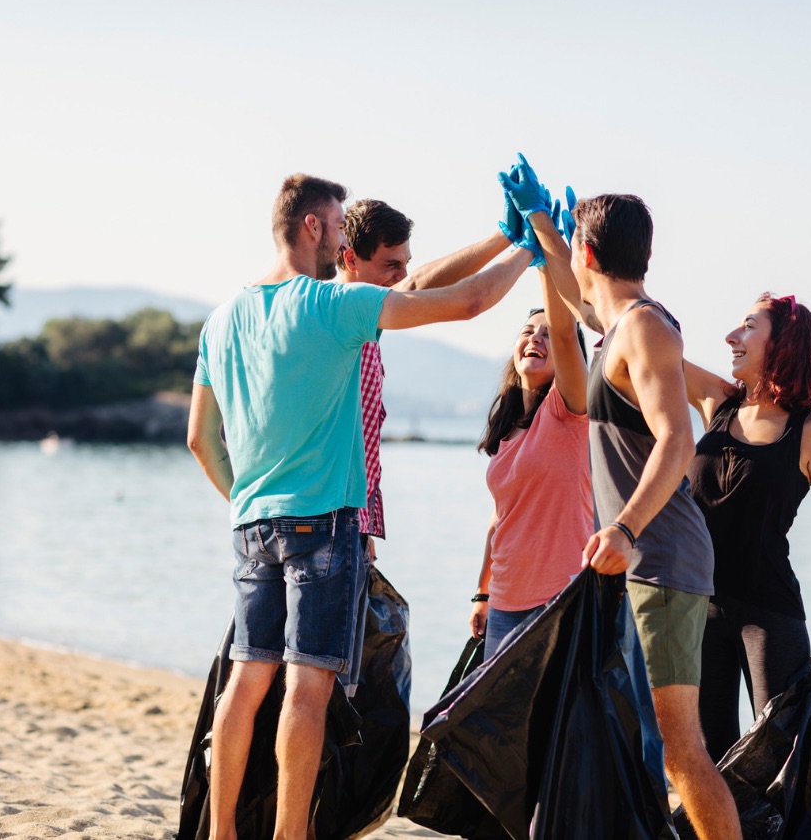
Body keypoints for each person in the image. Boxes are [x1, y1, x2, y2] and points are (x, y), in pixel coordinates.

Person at [186, 173, 534, 840]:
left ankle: (221, 831)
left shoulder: (222, 318)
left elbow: (201, 439)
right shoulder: (327, 307)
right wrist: (533, 247)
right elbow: (463, 304)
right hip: (325, 524)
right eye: (339, 224)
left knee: (248, 678)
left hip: (253, 524)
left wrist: (251, 499)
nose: (343, 235)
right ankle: (291, 833)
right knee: (307, 691)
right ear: (314, 227)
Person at [515, 156, 743, 840]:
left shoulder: (644, 327)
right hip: (643, 563)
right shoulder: (614, 327)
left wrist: (622, 527)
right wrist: (538, 228)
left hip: (662, 560)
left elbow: (677, 441)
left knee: (679, 748)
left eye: (571, 246)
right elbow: (574, 296)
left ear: (590, 250)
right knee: (644, 742)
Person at [684, 293, 811, 763]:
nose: (731, 337)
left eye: (748, 326)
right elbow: (643, 338)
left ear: (783, 345)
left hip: (768, 615)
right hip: (698, 608)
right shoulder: (717, 403)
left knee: (781, 759)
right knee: (708, 756)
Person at [335, 198, 513, 570]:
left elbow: (417, 283)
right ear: (351, 259)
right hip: (332, 522)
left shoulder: (363, 312)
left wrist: (504, 237)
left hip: (347, 520)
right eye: (390, 265)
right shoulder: (341, 310)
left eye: (404, 263)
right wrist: (524, 243)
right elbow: (470, 302)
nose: (401, 276)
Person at [468, 273, 591, 658]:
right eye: (527, 331)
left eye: (546, 333)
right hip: (504, 600)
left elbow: (568, 332)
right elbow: (500, 519)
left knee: (552, 718)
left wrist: (546, 264)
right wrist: (482, 592)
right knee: (499, 717)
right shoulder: (508, 434)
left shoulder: (569, 410)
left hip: (558, 598)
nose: (536, 337)